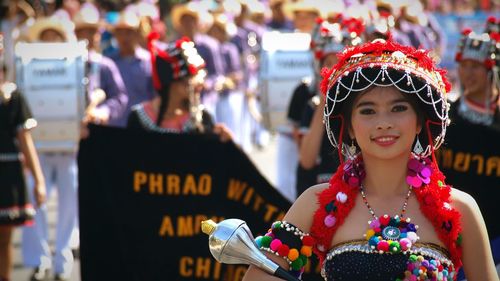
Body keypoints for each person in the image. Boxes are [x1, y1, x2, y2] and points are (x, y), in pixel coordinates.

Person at [242, 39, 498, 280]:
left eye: (398, 108)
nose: (384, 123)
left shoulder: (461, 209)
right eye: (368, 111)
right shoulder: (315, 204)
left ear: (420, 121)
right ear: (350, 127)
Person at [438, 17, 500, 278]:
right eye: (464, 65)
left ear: (492, 71)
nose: (467, 73)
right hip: (447, 236)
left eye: (476, 66)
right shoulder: (443, 116)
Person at [294, 16, 362, 197]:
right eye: (328, 63)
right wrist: (324, 101)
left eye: (339, 63)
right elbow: (306, 161)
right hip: (319, 193)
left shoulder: (362, 106)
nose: (333, 69)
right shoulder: (313, 105)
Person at [127, 33, 232, 142]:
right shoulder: (138, 119)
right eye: (192, 80)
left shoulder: (202, 118)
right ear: (174, 84)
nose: (201, 85)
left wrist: (225, 143)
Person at [0, 54, 45, 281]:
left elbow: (25, 140)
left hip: (8, 173)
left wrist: (39, 180)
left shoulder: (14, 97)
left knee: (5, 237)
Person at [107, 10, 155, 127]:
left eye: (128, 32)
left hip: (143, 126)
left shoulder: (149, 61)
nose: (124, 38)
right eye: (120, 33)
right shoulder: (108, 63)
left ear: (138, 33)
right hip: (115, 126)